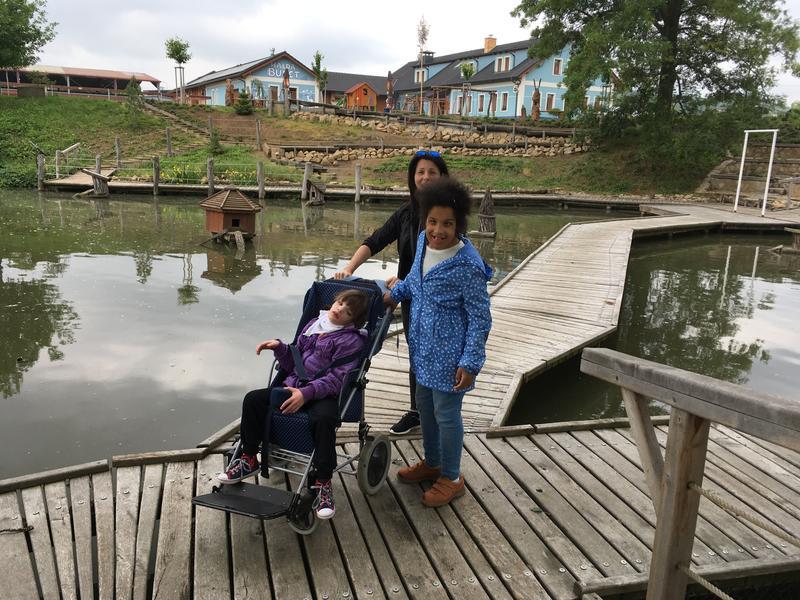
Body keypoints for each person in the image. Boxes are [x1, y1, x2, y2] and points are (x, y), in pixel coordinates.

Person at [384, 177, 492, 507]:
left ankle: (452, 477)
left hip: (450, 359)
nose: (438, 230)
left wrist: (470, 363)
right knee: (425, 409)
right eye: (432, 221)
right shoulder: (422, 243)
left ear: (459, 225)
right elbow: (414, 281)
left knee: (446, 414)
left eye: (447, 223)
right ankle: (432, 462)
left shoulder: (468, 265)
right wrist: (395, 293)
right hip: (422, 351)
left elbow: (480, 318)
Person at [217, 289, 370, 520]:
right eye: (339, 303)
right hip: (293, 385)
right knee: (253, 400)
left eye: (347, 312)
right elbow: (293, 361)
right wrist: (280, 348)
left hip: (322, 394)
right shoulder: (315, 324)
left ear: (353, 321)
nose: (339, 310)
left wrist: (306, 394)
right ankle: (248, 458)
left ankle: (323, 481)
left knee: (325, 418)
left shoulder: (351, 340)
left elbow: (337, 379)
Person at [335, 150, 449, 435]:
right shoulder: (406, 213)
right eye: (420, 172)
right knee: (416, 354)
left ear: (442, 177)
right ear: (412, 177)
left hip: (438, 299)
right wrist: (349, 268)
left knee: (435, 354)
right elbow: (375, 241)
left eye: (432, 172)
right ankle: (418, 411)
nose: (425, 177)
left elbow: (441, 261)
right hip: (410, 298)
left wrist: (403, 283)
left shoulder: (447, 216)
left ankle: (439, 413)